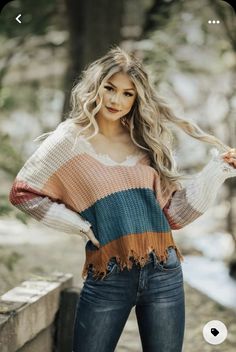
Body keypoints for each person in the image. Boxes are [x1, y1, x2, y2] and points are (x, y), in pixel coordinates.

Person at [9, 46, 236, 352]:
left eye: (128, 94)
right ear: (96, 87)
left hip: (164, 272)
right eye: (110, 89)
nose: (117, 100)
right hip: (109, 273)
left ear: (137, 98)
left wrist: (217, 170)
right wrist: (78, 225)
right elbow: (22, 191)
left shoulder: (145, 142)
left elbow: (174, 216)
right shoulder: (69, 140)